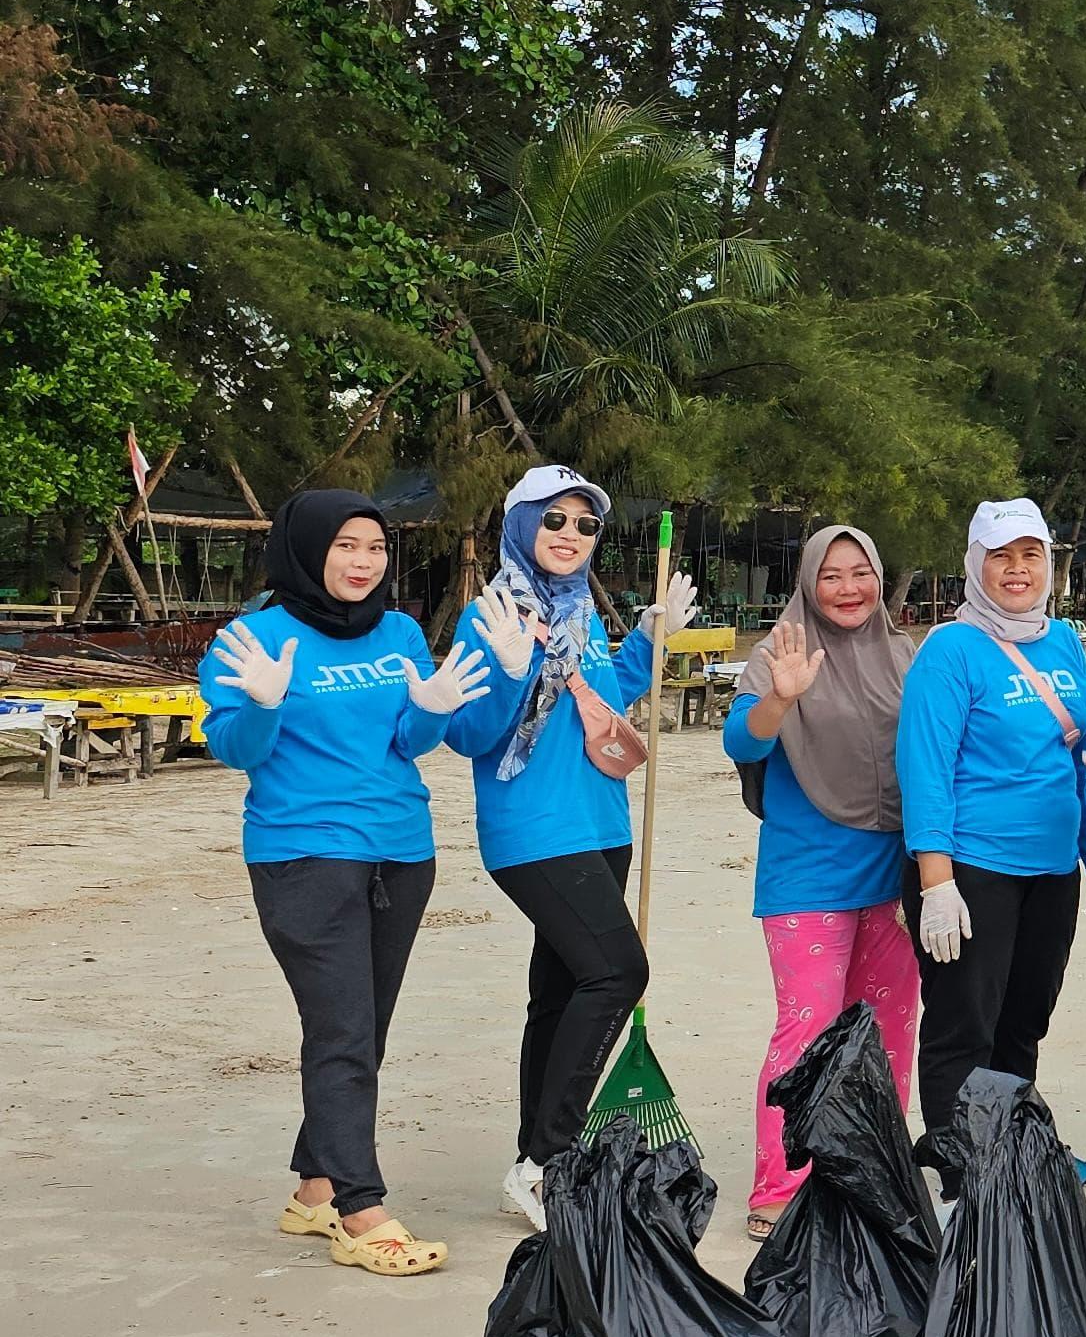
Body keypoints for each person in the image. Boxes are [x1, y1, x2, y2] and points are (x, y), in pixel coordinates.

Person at [201, 490, 493, 1276]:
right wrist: (261, 705)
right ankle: (358, 1211)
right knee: (342, 1032)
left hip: (402, 849)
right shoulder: (252, 639)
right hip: (303, 854)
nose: (363, 562)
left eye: (375, 548)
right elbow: (235, 749)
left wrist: (432, 710)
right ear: (306, 549)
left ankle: (314, 1185)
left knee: (365, 1028)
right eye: (345, 546)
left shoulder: (398, 632)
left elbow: (408, 740)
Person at [447, 462, 696, 1231]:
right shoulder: (491, 616)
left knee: (559, 994)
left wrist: (648, 643)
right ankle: (550, 1159)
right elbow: (467, 735)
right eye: (554, 519)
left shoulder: (579, 613)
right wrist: (507, 673)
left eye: (586, 524)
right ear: (523, 525)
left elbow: (604, 699)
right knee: (618, 971)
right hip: (534, 831)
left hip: (602, 825)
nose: (570, 534)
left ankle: (534, 1156)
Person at [895, 497, 1086, 1144]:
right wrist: (936, 884)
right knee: (963, 1026)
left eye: (1030, 555)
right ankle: (959, 1167)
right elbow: (924, 766)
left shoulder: (1065, 641)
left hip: (1051, 870)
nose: (1017, 569)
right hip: (971, 870)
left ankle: (1009, 1153)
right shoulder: (950, 649)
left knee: (1024, 1021)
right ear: (976, 565)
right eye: (1000, 556)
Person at [725, 523, 917, 1241]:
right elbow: (740, 739)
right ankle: (780, 1185)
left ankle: (872, 1172)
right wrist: (780, 698)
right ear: (809, 582)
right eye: (830, 575)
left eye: (860, 572)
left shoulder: (905, 654)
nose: (848, 588)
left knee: (889, 1036)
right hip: (807, 876)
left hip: (894, 875)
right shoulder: (781, 649)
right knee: (805, 1033)